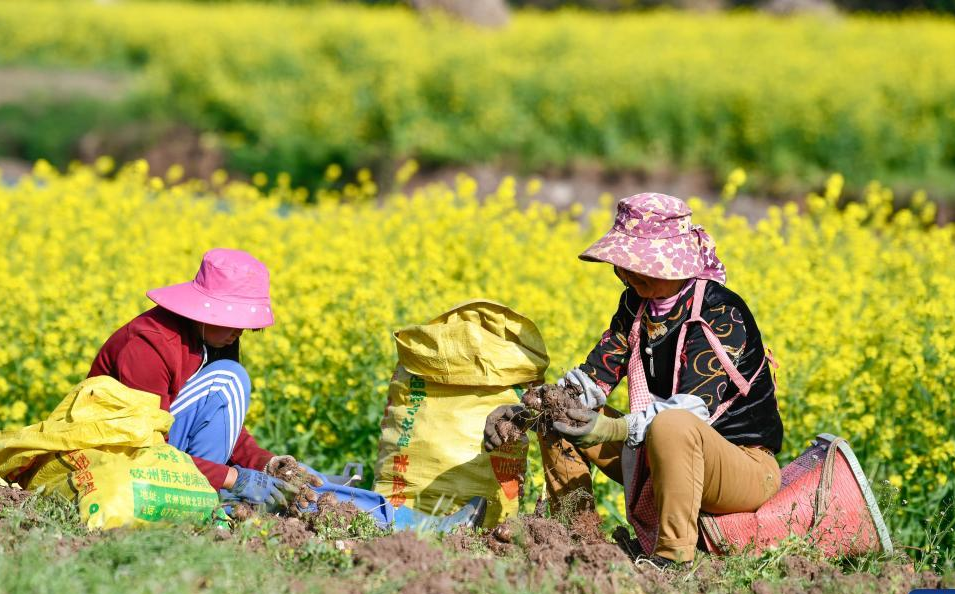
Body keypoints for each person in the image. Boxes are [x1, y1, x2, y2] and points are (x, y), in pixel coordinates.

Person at [88, 248, 484, 531]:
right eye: (234, 320)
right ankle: (219, 502)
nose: (241, 331)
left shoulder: (215, 337)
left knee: (302, 486)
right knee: (230, 379)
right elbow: (143, 449)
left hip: (180, 461)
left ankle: (416, 524)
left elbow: (222, 425)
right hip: (128, 459)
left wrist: (267, 464)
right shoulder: (149, 345)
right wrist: (234, 479)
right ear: (203, 308)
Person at [484, 193, 783, 566]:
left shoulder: (719, 311)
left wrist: (610, 429)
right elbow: (591, 380)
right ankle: (575, 535)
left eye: (637, 264)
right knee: (560, 412)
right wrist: (523, 413)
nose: (627, 274)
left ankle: (672, 558)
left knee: (672, 425)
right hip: (659, 451)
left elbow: (690, 411)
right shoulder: (634, 305)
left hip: (741, 467)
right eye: (624, 265)